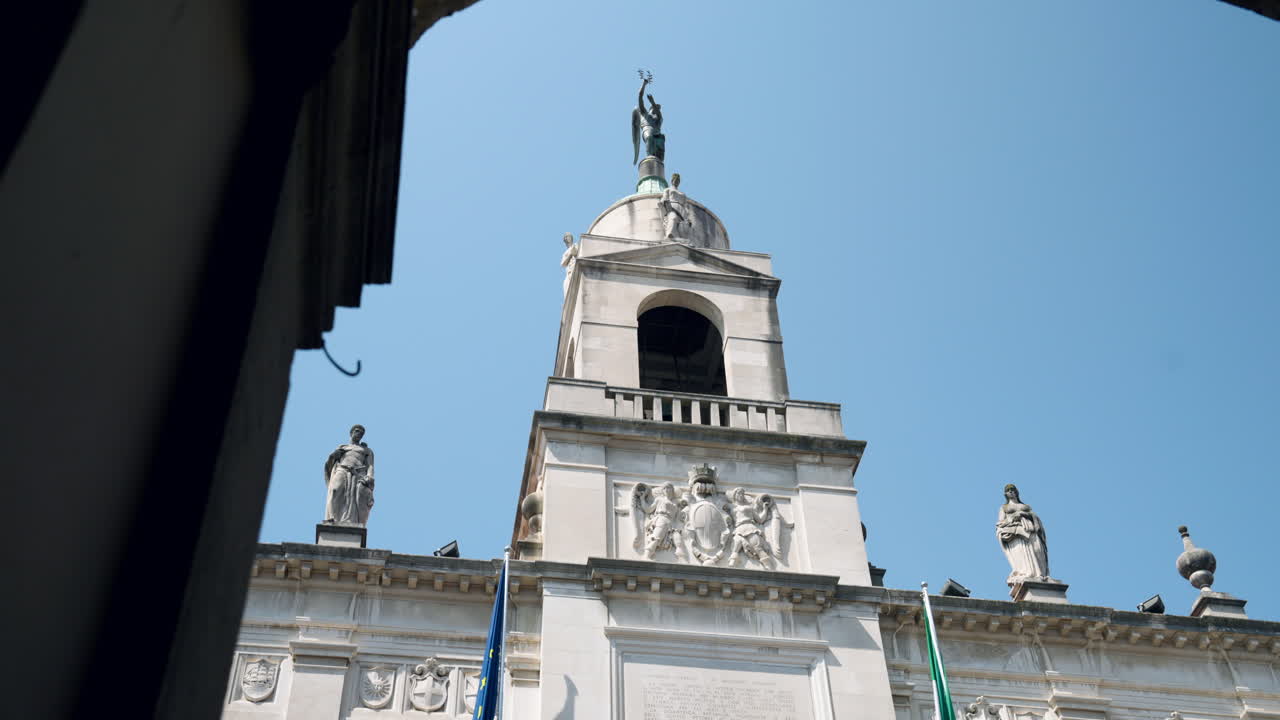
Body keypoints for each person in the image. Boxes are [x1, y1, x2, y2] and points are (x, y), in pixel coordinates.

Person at [996, 483, 1050, 582]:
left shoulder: (1025, 506)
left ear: (1016, 492)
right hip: (1016, 534)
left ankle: (1040, 574)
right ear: (1006, 494)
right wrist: (1012, 519)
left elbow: (1036, 518)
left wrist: (1023, 513)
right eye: (1008, 490)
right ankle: (1026, 573)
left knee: (1037, 550)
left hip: (1031, 531)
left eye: (1012, 489)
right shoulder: (1004, 508)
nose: (1011, 491)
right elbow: (1000, 523)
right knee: (1022, 554)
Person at [324, 424, 375, 524]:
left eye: (361, 433)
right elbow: (331, 461)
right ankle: (332, 518)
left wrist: (369, 476)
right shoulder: (343, 447)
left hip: (356, 474)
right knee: (335, 490)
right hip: (341, 470)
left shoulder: (366, 450)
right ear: (351, 433)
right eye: (357, 431)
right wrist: (333, 455)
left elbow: (370, 465)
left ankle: (351, 520)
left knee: (352, 498)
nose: (359, 434)